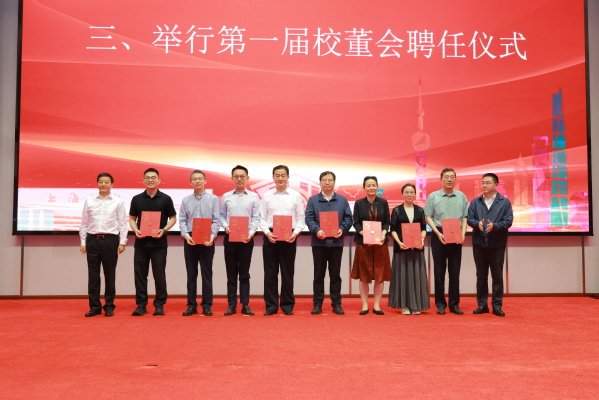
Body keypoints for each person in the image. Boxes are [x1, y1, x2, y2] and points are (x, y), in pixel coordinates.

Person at [129, 168, 177, 316]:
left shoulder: (166, 198)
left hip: (159, 244)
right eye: (147, 178)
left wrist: (164, 230)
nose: (150, 180)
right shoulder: (137, 199)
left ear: (159, 180)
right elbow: (132, 219)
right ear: (143, 180)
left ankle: (159, 304)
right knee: (140, 275)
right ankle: (141, 305)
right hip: (141, 243)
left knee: (159, 275)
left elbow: (173, 218)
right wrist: (136, 230)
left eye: (153, 177)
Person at [259, 165, 306, 316]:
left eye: (283, 175)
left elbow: (301, 218)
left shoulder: (295, 195)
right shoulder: (267, 196)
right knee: (270, 274)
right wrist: (267, 233)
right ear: (273, 177)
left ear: (288, 177)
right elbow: (262, 218)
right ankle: (271, 306)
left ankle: (287, 305)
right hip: (270, 237)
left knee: (287, 273)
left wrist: (296, 233)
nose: (280, 178)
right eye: (277, 175)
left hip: (289, 238)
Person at [79, 173, 128, 317]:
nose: (103, 184)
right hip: (92, 240)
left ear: (112, 185)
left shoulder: (118, 201)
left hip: (110, 241)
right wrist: (83, 242)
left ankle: (109, 306)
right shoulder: (89, 200)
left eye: (107, 182)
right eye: (101, 181)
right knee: (93, 276)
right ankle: (94, 307)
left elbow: (122, 223)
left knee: (109, 275)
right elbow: (84, 222)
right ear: (97, 184)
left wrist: (122, 242)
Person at [305, 171, 353, 315]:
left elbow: (348, 218)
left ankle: (336, 304)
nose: (327, 182)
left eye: (330, 180)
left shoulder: (342, 200)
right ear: (320, 183)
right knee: (318, 276)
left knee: (335, 275)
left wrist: (342, 229)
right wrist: (317, 230)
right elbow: (309, 218)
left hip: (336, 243)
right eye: (324, 180)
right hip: (319, 243)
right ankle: (317, 304)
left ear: (334, 183)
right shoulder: (313, 200)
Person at [467, 173, 513, 317]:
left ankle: (497, 306)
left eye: (487, 183)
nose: (484, 185)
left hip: (497, 244)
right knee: (481, 276)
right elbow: (469, 219)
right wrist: (477, 224)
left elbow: (508, 221)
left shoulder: (504, 202)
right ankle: (482, 305)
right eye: (483, 183)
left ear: (496, 185)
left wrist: (495, 226)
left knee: (497, 276)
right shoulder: (475, 202)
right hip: (479, 244)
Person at [424, 168, 468, 315]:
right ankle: (440, 304)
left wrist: (463, 234)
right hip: (439, 234)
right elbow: (428, 216)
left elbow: (464, 217)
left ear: (455, 179)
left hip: (456, 235)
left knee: (455, 271)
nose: (449, 179)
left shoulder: (461, 196)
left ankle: (454, 304)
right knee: (439, 271)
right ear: (441, 179)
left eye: (452, 177)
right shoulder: (433, 196)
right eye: (446, 177)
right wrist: (437, 233)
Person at [220, 165, 261, 316]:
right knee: (231, 274)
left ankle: (245, 304)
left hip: (246, 240)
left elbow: (256, 217)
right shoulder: (226, 196)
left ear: (247, 178)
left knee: (244, 274)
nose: (239, 179)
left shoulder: (253, 197)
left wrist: (251, 233)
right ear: (232, 178)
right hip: (230, 239)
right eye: (236, 176)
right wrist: (226, 226)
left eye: (242, 176)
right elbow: (222, 215)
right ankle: (231, 305)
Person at [179, 170, 220, 316]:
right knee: (191, 274)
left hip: (207, 239)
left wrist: (212, 236)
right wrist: (186, 236)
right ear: (190, 182)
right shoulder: (185, 200)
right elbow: (182, 221)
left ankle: (207, 305)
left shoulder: (213, 199)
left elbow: (216, 220)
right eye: (194, 179)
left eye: (200, 179)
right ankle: (191, 305)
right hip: (190, 239)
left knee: (206, 273)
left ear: (205, 181)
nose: (197, 181)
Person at [351, 176, 391, 315]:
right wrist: (365, 234)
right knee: (364, 276)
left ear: (377, 187)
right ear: (364, 187)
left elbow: (387, 221)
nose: (371, 188)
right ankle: (364, 306)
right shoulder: (359, 203)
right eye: (368, 185)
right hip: (364, 244)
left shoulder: (383, 202)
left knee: (379, 275)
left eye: (373, 185)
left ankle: (377, 306)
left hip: (380, 244)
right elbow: (356, 222)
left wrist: (383, 234)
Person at [388, 183, 429, 315]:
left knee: (417, 276)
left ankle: (416, 305)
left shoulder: (420, 210)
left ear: (415, 194)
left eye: (412, 192)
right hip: (402, 248)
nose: (409, 194)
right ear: (402, 194)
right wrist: (399, 242)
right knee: (403, 277)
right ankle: (404, 305)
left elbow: (423, 228)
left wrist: (422, 240)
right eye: (407, 192)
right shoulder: (397, 210)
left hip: (417, 248)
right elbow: (393, 229)